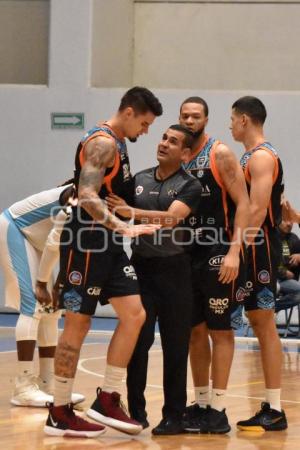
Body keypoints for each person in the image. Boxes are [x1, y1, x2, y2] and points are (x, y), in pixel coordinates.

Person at [42, 87, 163, 438]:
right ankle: (60, 410)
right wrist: (124, 226)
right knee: (77, 326)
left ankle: (107, 397)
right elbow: (87, 195)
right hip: (88, 242)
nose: (145, 131)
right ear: (127, 112)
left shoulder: (118, 142)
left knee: (135, 314)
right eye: (143, 123)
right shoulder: (104, 143)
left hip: (107, 245)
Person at [107, 124, 202, 435]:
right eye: (163, 138)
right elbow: (115, 207)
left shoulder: (190, 186)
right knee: (138, 342)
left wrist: (130, 211)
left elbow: (172, 218)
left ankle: (174, 416)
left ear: (186, 154)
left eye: (173, 142)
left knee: (176, 347)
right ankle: (135, 412)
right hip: (142, 270)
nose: (163, 144)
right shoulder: (139, 179)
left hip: (176, 272)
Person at [179, 97, 250, 433]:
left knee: (220, 331)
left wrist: (235, 252)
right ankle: (203, 402)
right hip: (185, 256)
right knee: (194, 331)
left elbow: (245, 204)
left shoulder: (220, 153)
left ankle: (219, 410)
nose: (190, 120)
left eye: (196, 116)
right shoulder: (177, 155)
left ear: (206, 119)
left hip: (218, 252)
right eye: (185, 116)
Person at [231, 95, 287, 431]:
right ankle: (271, 404)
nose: (230, 125)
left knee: (264, 324)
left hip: (259, 246)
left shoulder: (262, 156)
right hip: (255, 244)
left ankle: (276, 408)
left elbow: (257, 208)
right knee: (257, 321)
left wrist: (236, 248)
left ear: (245, 120)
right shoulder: (252, 156)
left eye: (233, 119)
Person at [0, 185, 84, 407]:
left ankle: (47, 384)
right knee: (33, 306)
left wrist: (58, 287)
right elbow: (55, 243)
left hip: (38, 241)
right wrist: (41, 285)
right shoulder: (73, 201)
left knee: (52, 311)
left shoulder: (97, 202)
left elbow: (69, 250)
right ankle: (23, 388)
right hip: (15, 229)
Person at [277, 219, 300, 302]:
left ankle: (272, 309)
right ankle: (267, 309)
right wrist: (283, 272)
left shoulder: (293, 238)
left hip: (286, 281)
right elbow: (265, 262)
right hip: (270, 279)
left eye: (291, 221)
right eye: (285, 220)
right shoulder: (269, 237)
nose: (289, 224)